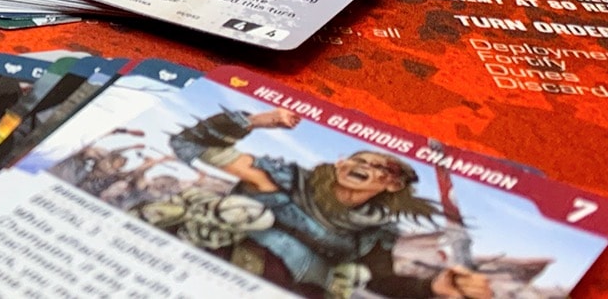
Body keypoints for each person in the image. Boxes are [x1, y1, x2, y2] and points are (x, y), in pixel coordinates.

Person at [162, 107, 493, 298]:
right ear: (340, 165)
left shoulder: (374, 233)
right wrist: (259, 121)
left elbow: (379, 281)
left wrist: (433, 286)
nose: (363, 166)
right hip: (197, 264)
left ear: (392, 184)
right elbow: (190, 144)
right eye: (356, 160)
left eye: (380, 167)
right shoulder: (280, 178)